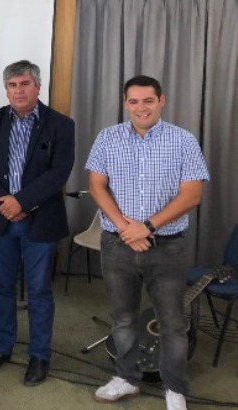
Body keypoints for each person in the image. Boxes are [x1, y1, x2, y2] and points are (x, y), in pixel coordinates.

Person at [86, 75, 209, 410]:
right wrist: (128, 228)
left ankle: (174, 388)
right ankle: (126, 379)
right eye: (134, 101)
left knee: (172, 323)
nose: (141, 108)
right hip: (117, 245)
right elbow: (97, 186)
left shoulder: (183, 140)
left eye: (148, 101)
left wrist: (148, 226)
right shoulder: (108, 138)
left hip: (168, 247)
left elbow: (192, 194)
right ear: (126, 103)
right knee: (123, 318)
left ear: (161, 101)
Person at [0, 60, 75, 386]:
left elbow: (59, 172)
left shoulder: (60, 124)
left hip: (40, 220)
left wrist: (23, 202)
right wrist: (6, 204)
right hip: (2, 219)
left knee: (40, 291)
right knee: (2, 287)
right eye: (12, 85)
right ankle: (2, 347)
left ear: (38, 87)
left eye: (24, 84)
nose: (18, 90)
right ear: (6, 90)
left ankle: (39, 355)